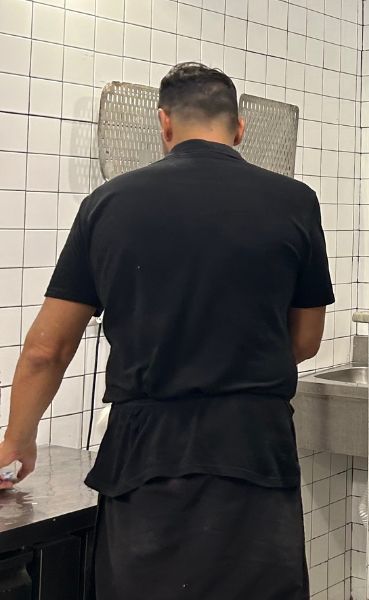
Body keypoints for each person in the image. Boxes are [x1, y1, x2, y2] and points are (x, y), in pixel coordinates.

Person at [0, 62, 333, 599]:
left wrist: (17, 443)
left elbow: (47, 348)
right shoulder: (295, 201)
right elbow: (305, 340)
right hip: (254, 447)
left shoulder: (107, 204)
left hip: (146, 453)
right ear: (239, 126)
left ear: (164, 124)